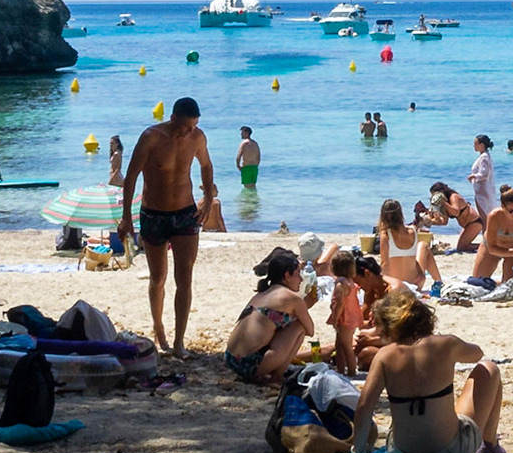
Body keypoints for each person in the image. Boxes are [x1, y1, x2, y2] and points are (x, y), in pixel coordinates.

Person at [349, 288, 506, 453]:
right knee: (489, 368)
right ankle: (490, 443)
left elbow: (364, 407)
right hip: (450, 452)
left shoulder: (384, 356)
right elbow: (477, 354)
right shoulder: (446, 344)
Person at [119, 96, 217, 358]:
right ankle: (158, 325)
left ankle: (179, 341)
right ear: (172, 118)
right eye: (185, 126)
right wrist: (126, 217)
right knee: (158, 277)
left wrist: (207, 200)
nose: (188, 131)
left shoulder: (197, 138)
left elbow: (206, 167)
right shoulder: (151, 137)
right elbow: (131, 176)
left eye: (193, 126)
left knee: (184, 278)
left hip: (185, 213)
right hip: (153, 214)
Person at [222, 246, 314, 384]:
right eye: (297, 274)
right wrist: (309, 303)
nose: (300, 279)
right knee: (299, 327)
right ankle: (277, 376)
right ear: (287, 276)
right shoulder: (291, 298)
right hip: (250, 365)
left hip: (231, 358)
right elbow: (310, 330)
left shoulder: (262, 293)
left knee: (281, 326)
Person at [375, 197, 444, 293]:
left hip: (398, 286)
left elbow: (385, 264)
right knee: (423, 245)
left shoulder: (385, 235)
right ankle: (438, 282)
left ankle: (438, 282)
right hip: (416, 283)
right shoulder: (412, 230)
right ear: (400, 214)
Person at [328, 251, 365, 376]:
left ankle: (351, 371)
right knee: (339, 345)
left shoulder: (340, 284)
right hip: (352, 316)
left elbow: (340, 304)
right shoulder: (349, 281)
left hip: (345, 318)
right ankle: (340, 369)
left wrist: (335, 318)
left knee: (346, 347)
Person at [423, 184, 484, 251]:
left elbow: (456, 212)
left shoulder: (454, 197)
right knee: (461, 246)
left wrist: (443, 202)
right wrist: (428, 221)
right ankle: (485, 245)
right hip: (467, 225)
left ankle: (486, 246)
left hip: (474, 222)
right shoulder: (445, 203)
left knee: (462, 247)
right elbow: (444, 222)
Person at [469, 134, 498, 216]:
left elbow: (484, 173)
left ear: (482, 145)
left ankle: (486, 229)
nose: (473, 146)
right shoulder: (485, 156)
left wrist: (474, 176)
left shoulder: (484, 157)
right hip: (482, 190)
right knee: (484, 214)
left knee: (484, 215)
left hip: (483, 191)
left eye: (475, 144)